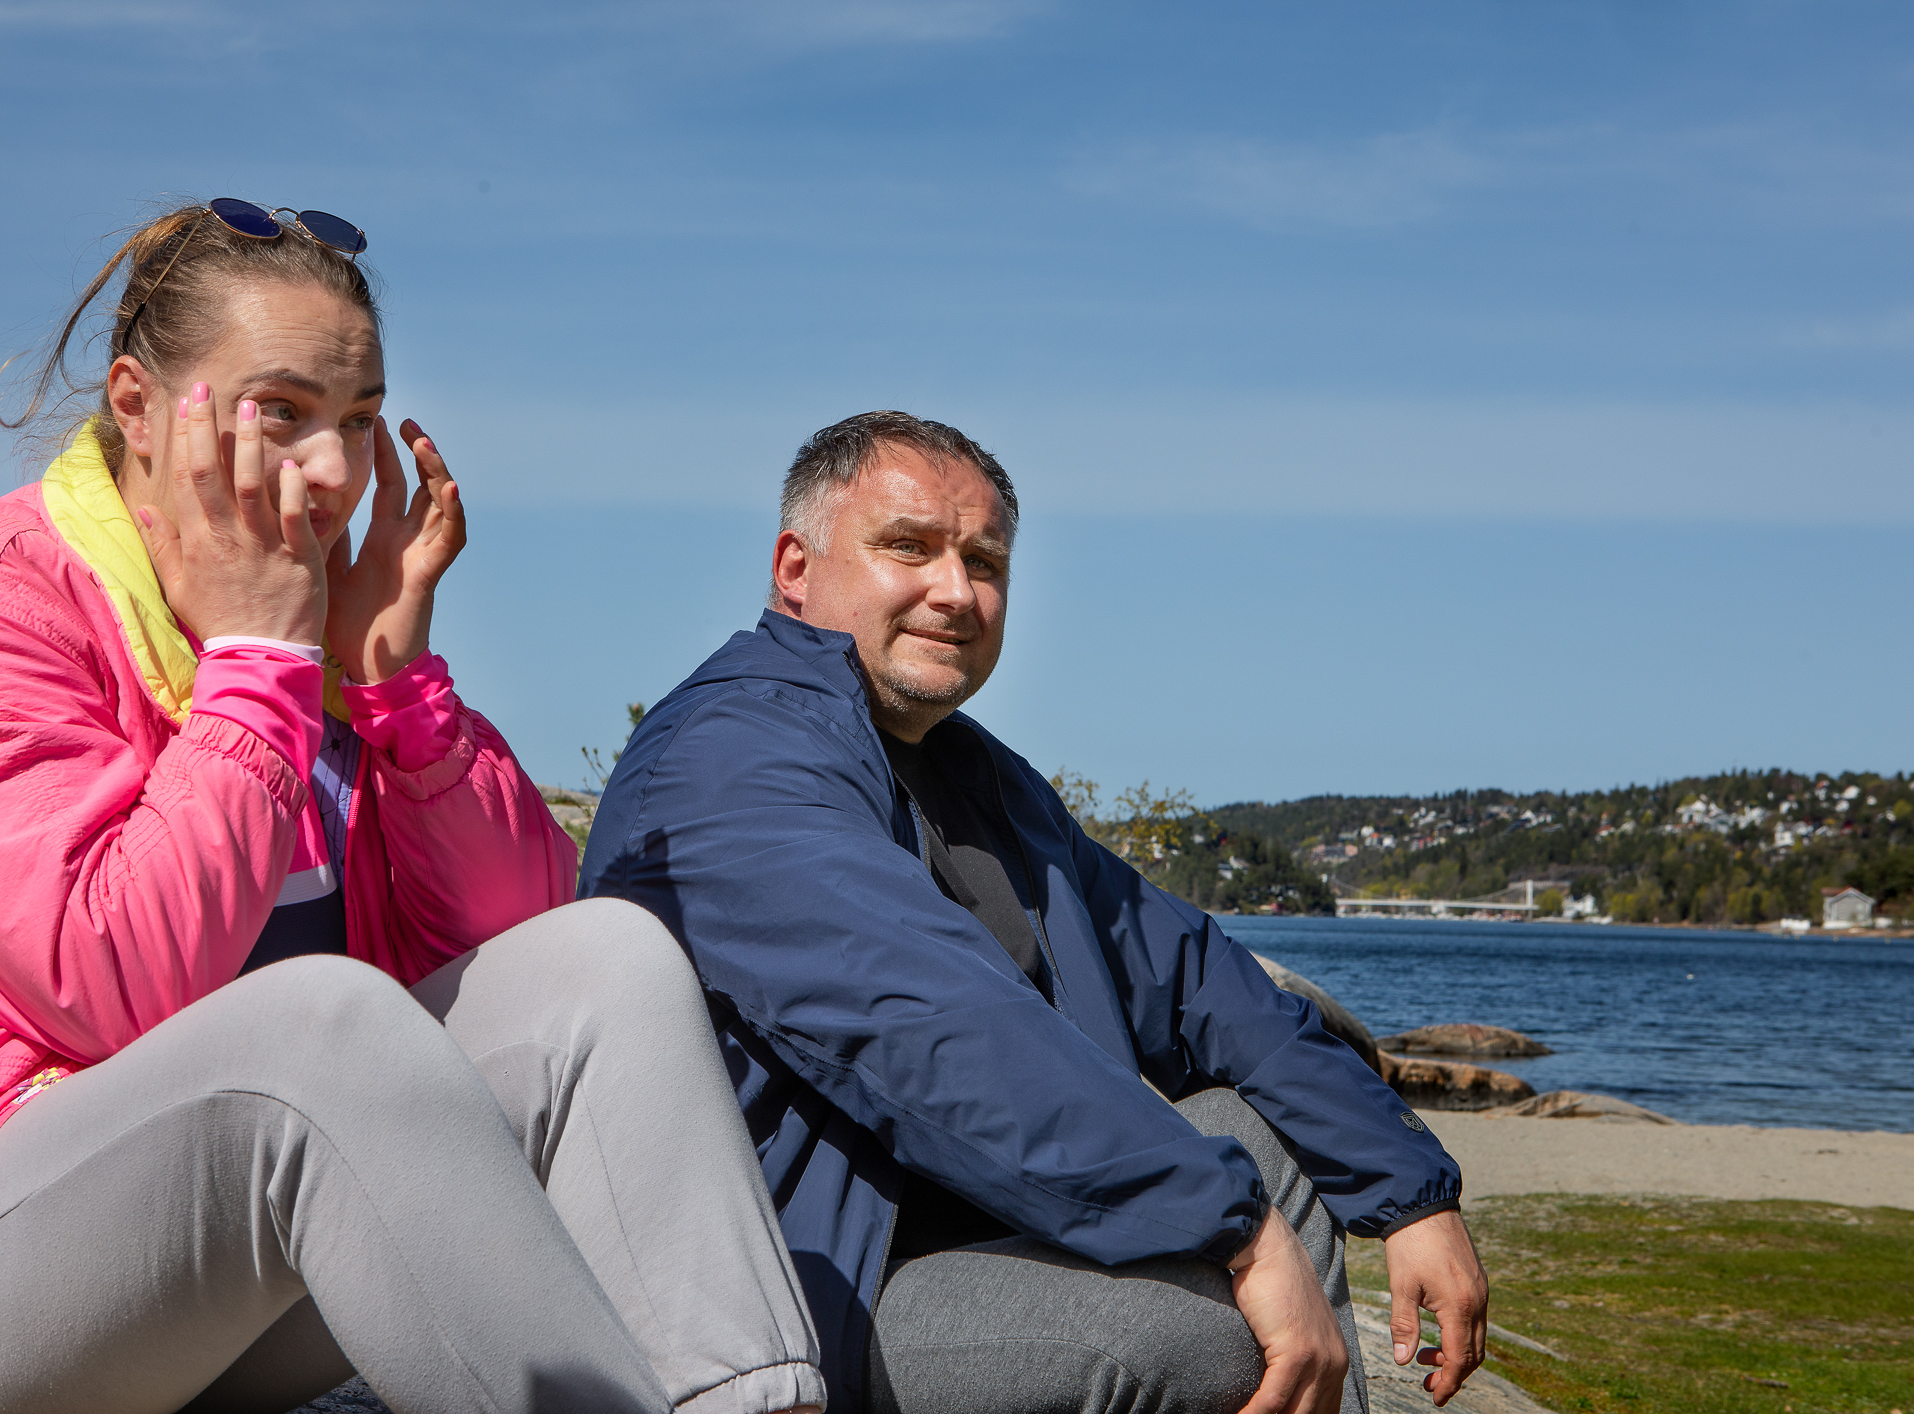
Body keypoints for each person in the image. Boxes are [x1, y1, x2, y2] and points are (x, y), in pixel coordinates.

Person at [0, 201, 824, 1414]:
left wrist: (397, 691)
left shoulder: (308, 634)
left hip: (220, 1266)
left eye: (359, 421)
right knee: (322, 1024)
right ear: (135, 405)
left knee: (605, 958)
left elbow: (521, 934)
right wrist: (257, 664)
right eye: (281, 413)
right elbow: (111, 981)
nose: (331, 474)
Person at [581, 410, 1492, 1414]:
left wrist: (1412, 1196)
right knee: (1196, 1330)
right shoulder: (732, 755)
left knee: (1257, 1129)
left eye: (986, 562)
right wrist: (1233, 1226)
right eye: (908, 547)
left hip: (974, 1241)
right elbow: (927, 1023)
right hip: (795, 1299)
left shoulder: (985, 785)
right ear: (795, 566)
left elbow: (1201, 982)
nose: (956, 592)